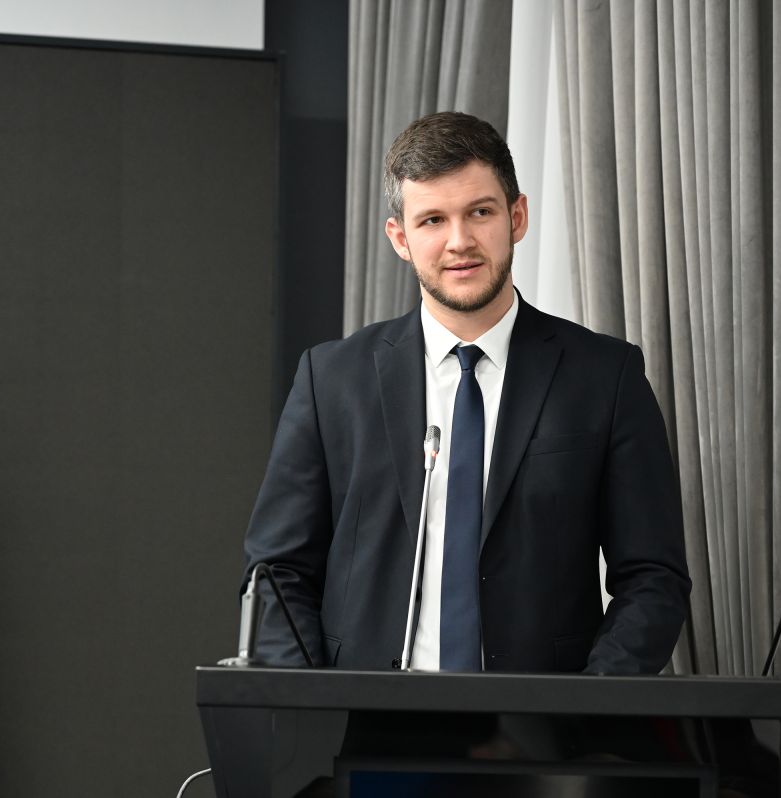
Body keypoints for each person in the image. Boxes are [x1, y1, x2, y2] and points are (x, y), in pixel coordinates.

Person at [242, 111, 689, 674]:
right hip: (364, 717)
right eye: (433, 220)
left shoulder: (606, 376)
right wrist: (310, 706)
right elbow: (276, 573)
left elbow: (653, 577)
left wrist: (588, 707)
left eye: (480, 212)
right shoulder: (330, 379)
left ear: (517, 217)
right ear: (400, 238)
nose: (460, 242)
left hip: (543, 721)